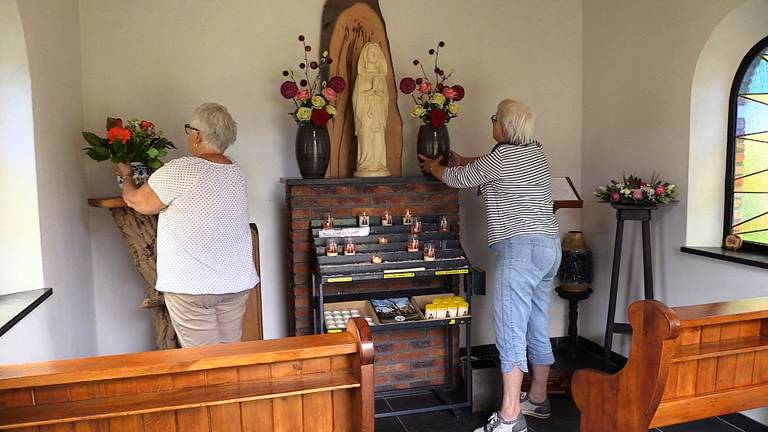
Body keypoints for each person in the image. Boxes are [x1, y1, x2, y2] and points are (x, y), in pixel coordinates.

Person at [419, 99, 560, 432]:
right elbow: (487, 165)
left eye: (495, 119)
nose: (492, 123)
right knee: (536, 324)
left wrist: (434, 168)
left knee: (510, 330)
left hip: (521, 249)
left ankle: (510, 418)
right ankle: (538, 398)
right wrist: (464, 159)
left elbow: (459, 177)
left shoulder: (502, 157)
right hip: (549, 248)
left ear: (503, 128)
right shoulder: (534, 151)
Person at [116, 102, 258, 348]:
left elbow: (138, 202)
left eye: (188, 129)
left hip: (193, 286)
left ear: (198, 135)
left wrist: (126, 176)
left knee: (204, 364)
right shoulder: (236, 172)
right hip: (234, 282)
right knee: (230, 354)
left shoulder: (183, 168)